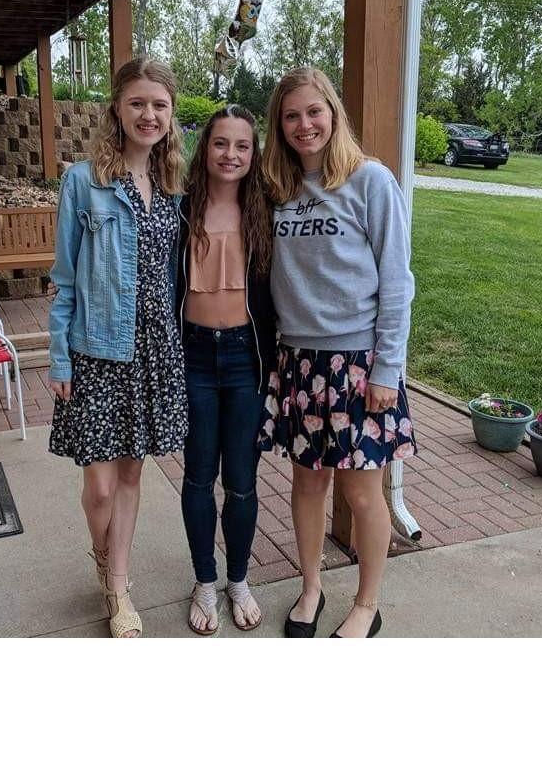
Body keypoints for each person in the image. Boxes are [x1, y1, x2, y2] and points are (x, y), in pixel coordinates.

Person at [257, 67, 417, 638]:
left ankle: (367, 605)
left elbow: (398, 281)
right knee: (306, 484)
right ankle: (311, 588)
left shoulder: (371, 181)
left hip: (358, 365)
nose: (304, 125)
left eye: (314, 112)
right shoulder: (278, 186)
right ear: (280, 124)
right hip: (298, 362)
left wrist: (387, 369)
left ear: (333, 113)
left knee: (360, 489)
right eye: (292, 115)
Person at [48, 57, 188, 638]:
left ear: (171, 113)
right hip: (99, 350)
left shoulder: (177, 185)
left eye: (159, 104)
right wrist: (59, 355)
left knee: (131, 475)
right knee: (99, 486)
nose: (148, 114)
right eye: (137, 103)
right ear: (118, 109)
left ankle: (119, 587)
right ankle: (105, 560)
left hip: (157, 349)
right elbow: (64, 278)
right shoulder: (83, 182)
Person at [176, 105, 276, 635]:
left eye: (242, 146)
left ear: (253, 152)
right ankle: (205, 581)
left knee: (240, 480)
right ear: (205, 147)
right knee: (197, 476)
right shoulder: (180, 209)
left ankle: (238, 579)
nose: (231, 155)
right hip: (193, 355)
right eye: (220, 144)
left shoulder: (267, 210)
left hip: (245, 360)